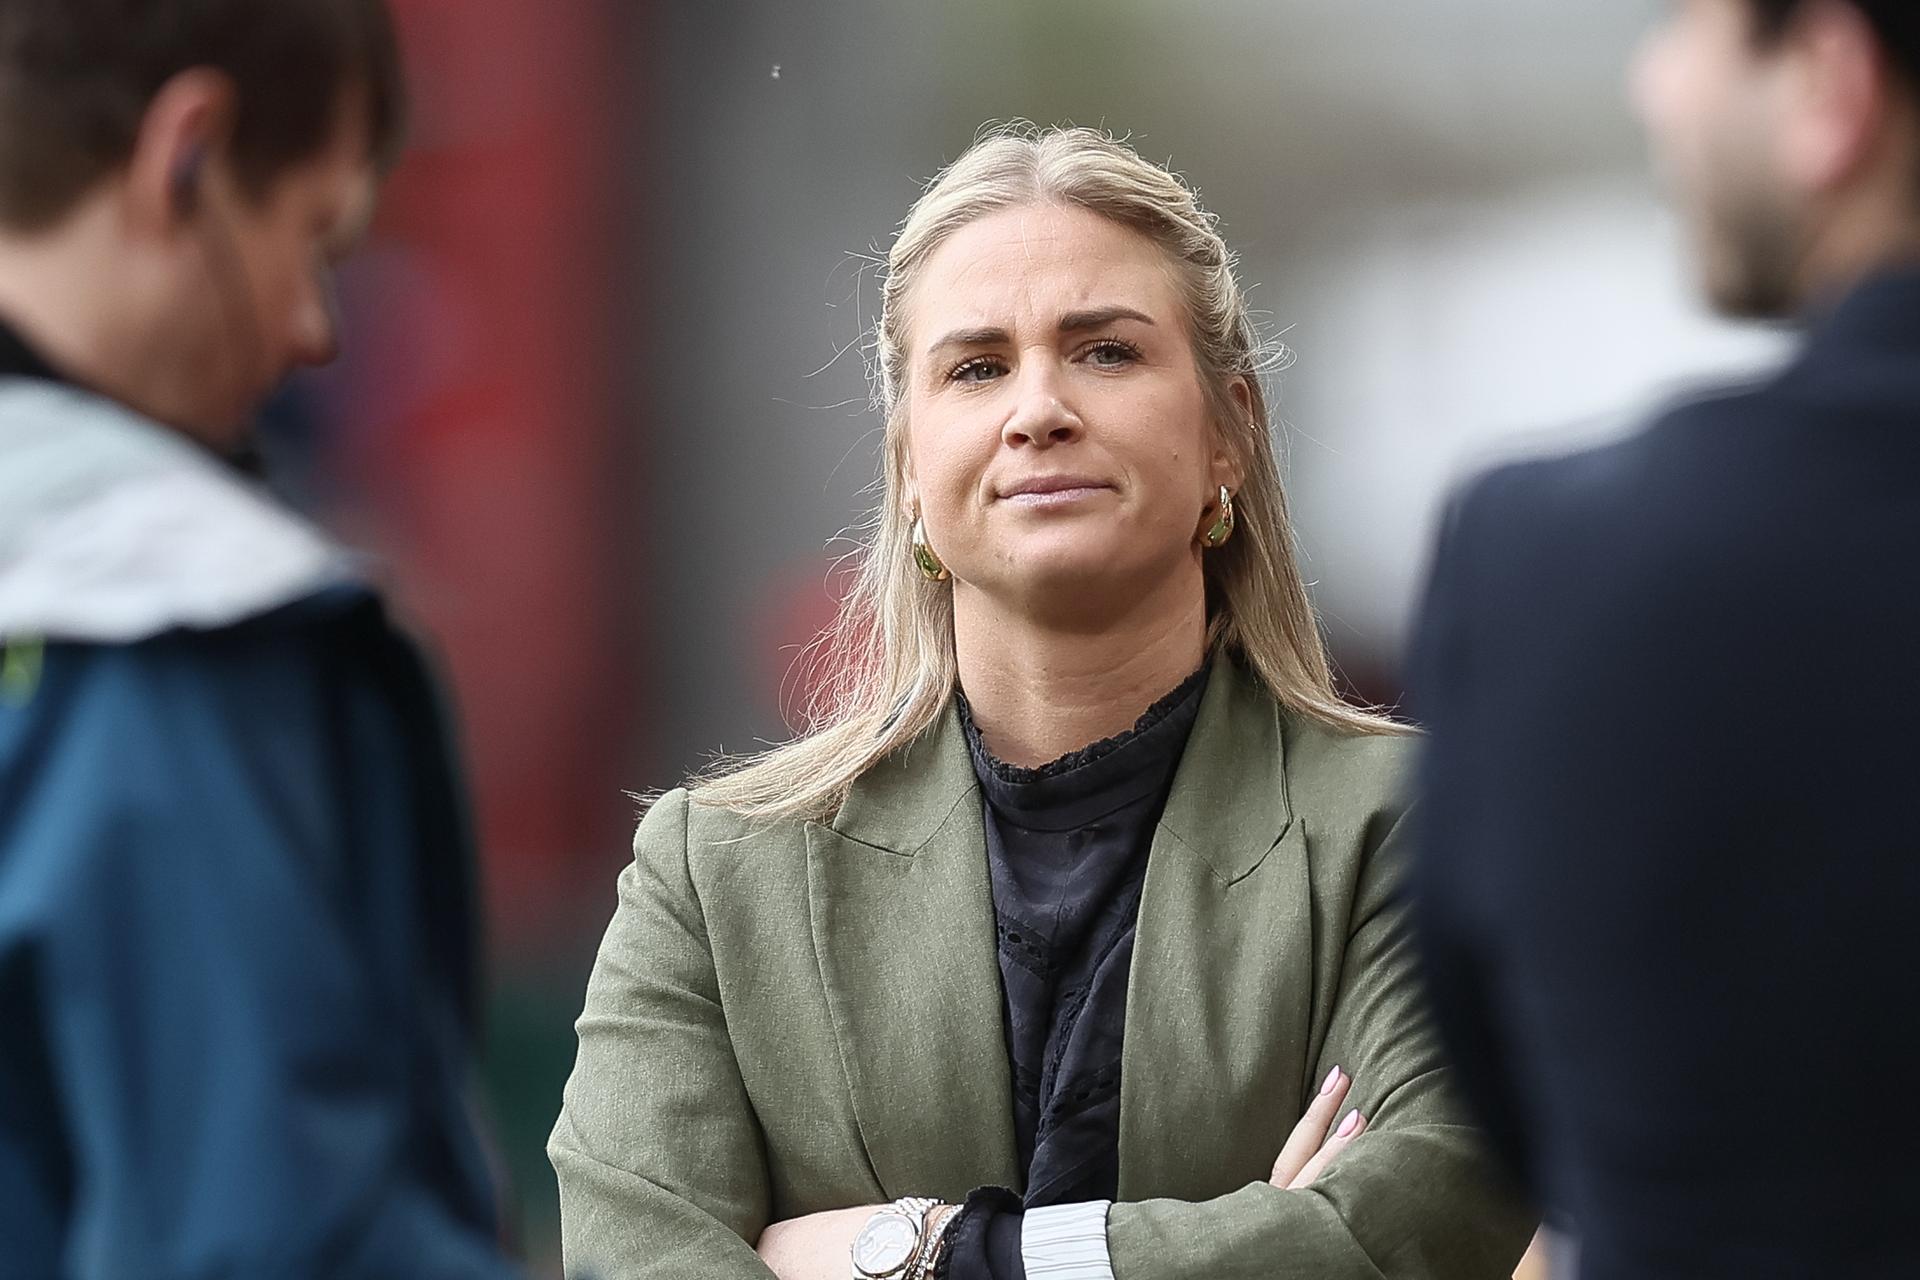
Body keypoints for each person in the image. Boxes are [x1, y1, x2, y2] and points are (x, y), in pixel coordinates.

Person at [550, 124, 1532, 1280]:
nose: (1038, 409)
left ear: (1230, 431)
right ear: (909, 467)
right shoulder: (715, 876)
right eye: (976, 367)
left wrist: (933, 1253)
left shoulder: (1414, 826)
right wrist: (1252, 1239)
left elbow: (1413, 1223)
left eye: (1105, 351)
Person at [0, 2, 519, 1274]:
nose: (311, 327)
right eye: (313, 237)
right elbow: (268, 1234)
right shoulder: (165, 625)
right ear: (185, 153)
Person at [1409, 1, 1920, 1277]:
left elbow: (1524, 1123)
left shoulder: (1552, 560)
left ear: (1832, 84)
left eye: (1690, 21)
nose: (1656, 82)